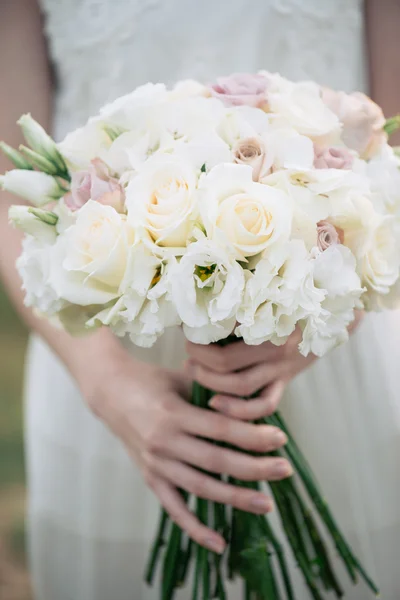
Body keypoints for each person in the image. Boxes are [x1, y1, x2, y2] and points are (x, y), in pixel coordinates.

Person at [0, 1, 398, 599]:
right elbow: (9, 179)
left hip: (334, 336)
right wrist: (106, 381)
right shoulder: (108, 378)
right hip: (109, 351)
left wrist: (338, 305)